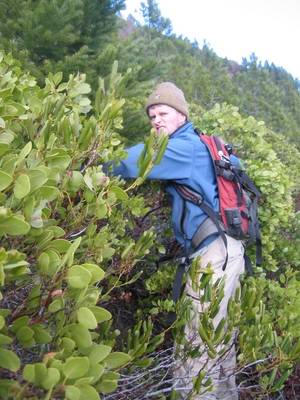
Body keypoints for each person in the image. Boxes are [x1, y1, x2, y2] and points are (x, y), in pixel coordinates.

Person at [111, 82, 245, 399]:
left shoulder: (183, 149)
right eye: (152, 115)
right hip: (228, 251)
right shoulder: (200, 146)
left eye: (163, 113)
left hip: (213, 255)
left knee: (198, 340)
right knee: (220, 337)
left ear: (181, 115)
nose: (156, 120)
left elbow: (131, 161)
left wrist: (89, 158)